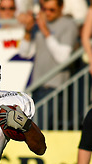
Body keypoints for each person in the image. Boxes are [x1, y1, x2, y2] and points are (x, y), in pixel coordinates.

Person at [18, 0, 78, 130]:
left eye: (52, 10)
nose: (48, 13)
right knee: (35, 130)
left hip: (56, 87)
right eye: (45, 9)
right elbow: (25, 53)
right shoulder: (39, 25)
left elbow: (63, 58)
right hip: (38, 86)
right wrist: (28, 31)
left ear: (61, 7)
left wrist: (45, 30)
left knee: (39, 130)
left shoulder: (69, 24)